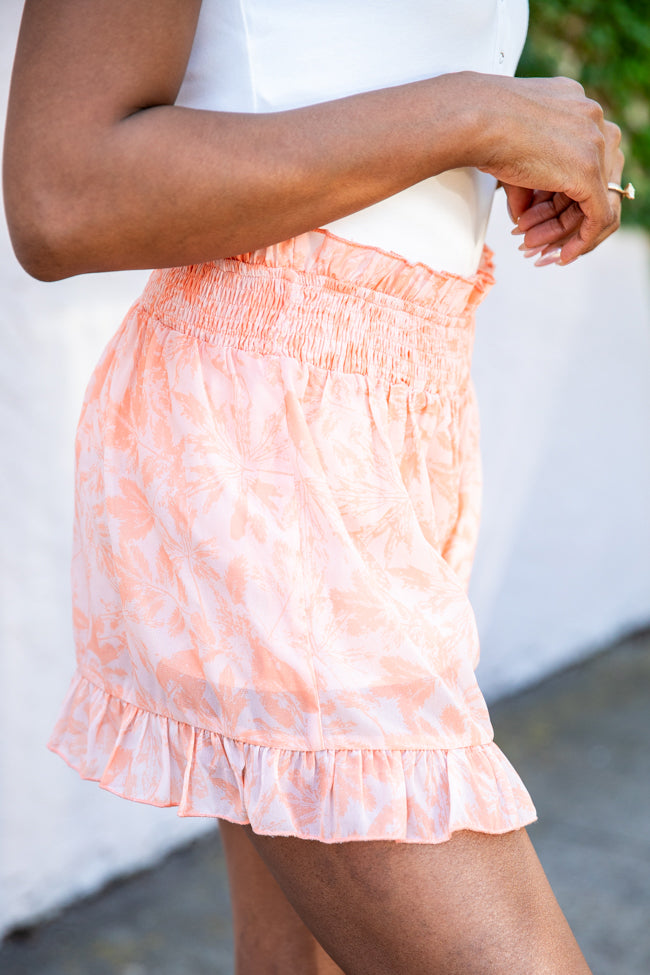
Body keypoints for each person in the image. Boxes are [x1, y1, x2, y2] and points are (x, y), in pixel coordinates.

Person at [4, 2, 628, 973]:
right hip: (258, 436)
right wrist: (471, 115)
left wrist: (527, 131)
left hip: (396, 412)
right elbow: (61, 195)